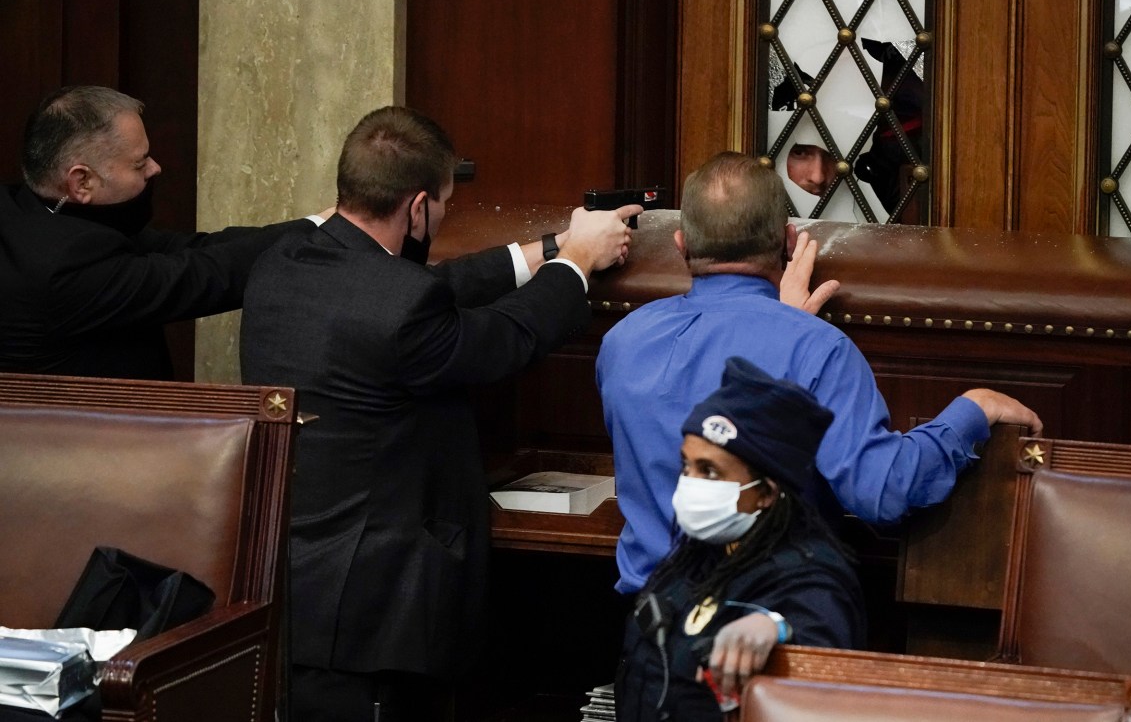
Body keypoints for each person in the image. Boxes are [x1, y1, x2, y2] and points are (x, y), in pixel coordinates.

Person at [239, 105, 637, 721]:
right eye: (445, 204)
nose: (444, 216)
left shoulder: (285, 262)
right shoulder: (399, 306)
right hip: (374, 612)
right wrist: (576, 266)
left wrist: (553, 246)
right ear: (418, 206)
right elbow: (502, 339)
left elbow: (427, 289)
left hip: (290, 586)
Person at [596, 151, 1042, 597]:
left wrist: (783, 326)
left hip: (650, 629)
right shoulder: (814, 348)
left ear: (681, 244)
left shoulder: (622, 341)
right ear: (790, 242)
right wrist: (971, 412)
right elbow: (882, 491)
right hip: (771, 629)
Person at [0, 85, 320, 379]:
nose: (155, 168)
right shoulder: (64, 265)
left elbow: (190, 248)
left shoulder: (33, 208)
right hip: (92, 438)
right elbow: (202, 275)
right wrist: (335, 228)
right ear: (82, 182)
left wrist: (316, 224)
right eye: (140, 164)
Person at [617, 356, 866, 721]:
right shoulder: (703, 552)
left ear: (765, 493)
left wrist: (775, 626)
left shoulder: (812, 575)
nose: (690, 484)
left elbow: (819, 641)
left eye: (710, 472)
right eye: (687, 466)